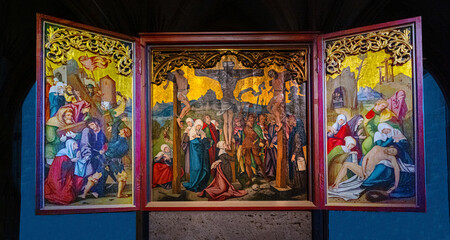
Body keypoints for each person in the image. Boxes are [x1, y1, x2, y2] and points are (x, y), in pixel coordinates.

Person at [195, 61, 264, 150]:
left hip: (231, 101)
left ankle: (228, 144)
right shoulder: (221, 78)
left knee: (230, 122)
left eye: (230, 68)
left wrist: (255, 72)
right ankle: (227, 142)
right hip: (224, 101)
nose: (228, 70)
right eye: (227, 68)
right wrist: (201, 72)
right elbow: (209, 75)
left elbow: (245, 75)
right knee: (226, 122)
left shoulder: (234, 78)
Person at [329, 146, 400, 194]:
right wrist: (363, 171)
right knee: (346, 164)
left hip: (370, 174)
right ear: (391, 146)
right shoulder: (376, 148)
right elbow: (365, 158)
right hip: (363, 171)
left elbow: (397, 169)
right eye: (392, 150)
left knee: (347, 165)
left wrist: (396, 185)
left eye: (393, 153)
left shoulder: (391, 157)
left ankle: (336, 185)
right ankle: (336, 183)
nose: (391, 153)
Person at [77, 118, 108, 199]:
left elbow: (106, 143)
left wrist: (104, 149)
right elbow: (87, 144)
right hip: (93, 154)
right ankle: (91, 190)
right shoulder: (90, 132)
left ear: (96, 123)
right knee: (92, 172)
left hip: (101, 155)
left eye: (92, 124)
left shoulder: (101, 132)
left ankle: (98, 192)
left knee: (100, 172)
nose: (91, 127)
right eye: (90, 125)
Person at [44, 139, 79, 205]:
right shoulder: (62, 154)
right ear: (70, 145)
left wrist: (75, 158)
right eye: (74, 144)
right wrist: (72, 161)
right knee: (66, 198)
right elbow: (61, 167)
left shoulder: (72, 152)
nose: (77, 145)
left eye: (76, 143)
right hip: (58, 177)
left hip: (65, 176)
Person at [183, 119, 211, 192]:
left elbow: (204, 140)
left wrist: (200, 138)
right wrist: (200, 138)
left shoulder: (201, 131)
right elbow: (193, 141)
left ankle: (199, 184)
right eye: (198, 125)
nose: (198, 127)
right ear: (195, 125)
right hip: (194, 152)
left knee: (202, 168)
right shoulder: (192, 130)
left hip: (200, 152)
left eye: (200, 126)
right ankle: (194, 184)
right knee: (196, 167)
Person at [242, 113, 270, 186]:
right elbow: (244, 136)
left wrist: (260, 141)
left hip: (254, 146)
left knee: (258, 162)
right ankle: (249, 179)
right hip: (247, 145)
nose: (251, 120)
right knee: (247, 163)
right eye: (250, 118)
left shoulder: (256, 127)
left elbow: (260, 136)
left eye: (253, 118)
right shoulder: (245, 126)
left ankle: (265, 177)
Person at [104, 127, 132, 197]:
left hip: (114, 160)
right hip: (112, 161)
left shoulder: (121, 140)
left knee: (122, 176)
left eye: (123, 129)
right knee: (123, 176)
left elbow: (118, 150)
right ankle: (119, 194)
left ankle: (119, 193)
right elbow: (112, 148)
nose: (121, 129)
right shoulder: (120, 140)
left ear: (125, 133)